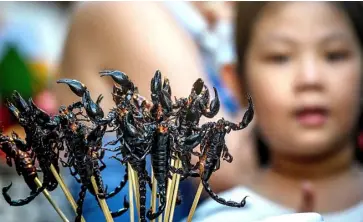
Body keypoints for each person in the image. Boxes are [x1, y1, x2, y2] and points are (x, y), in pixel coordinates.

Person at [190, 2, 363, 222]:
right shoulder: (220, 218)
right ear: (236, 83)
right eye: (280, 57)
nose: (310, 79)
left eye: (334, 55)